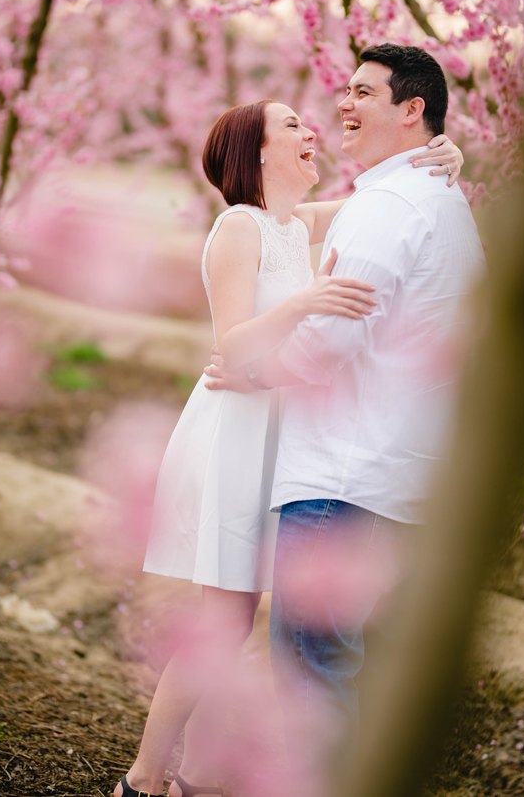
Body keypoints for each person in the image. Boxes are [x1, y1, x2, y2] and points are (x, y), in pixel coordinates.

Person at [114, 95, 463, 797]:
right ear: (258, 151)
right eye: (293, 126)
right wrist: (307, 301)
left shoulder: (292, 222)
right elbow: (230, 345)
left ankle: (202, 776)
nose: (312, 132)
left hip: (283, 426)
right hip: (238, 430)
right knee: (226, 617)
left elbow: (386, 195)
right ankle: (144, 780)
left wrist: (445, 158)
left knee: (253, 615)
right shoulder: (237, 227)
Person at [205, 44, 486, 782]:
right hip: (400, 478)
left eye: (363, 92)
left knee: (311, 683)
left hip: (340, 479)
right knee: (347, 677)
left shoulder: (389, 208)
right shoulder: (434, 201)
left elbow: (329, 343)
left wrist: (256, 371)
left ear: (412, 109)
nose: (342, 107)